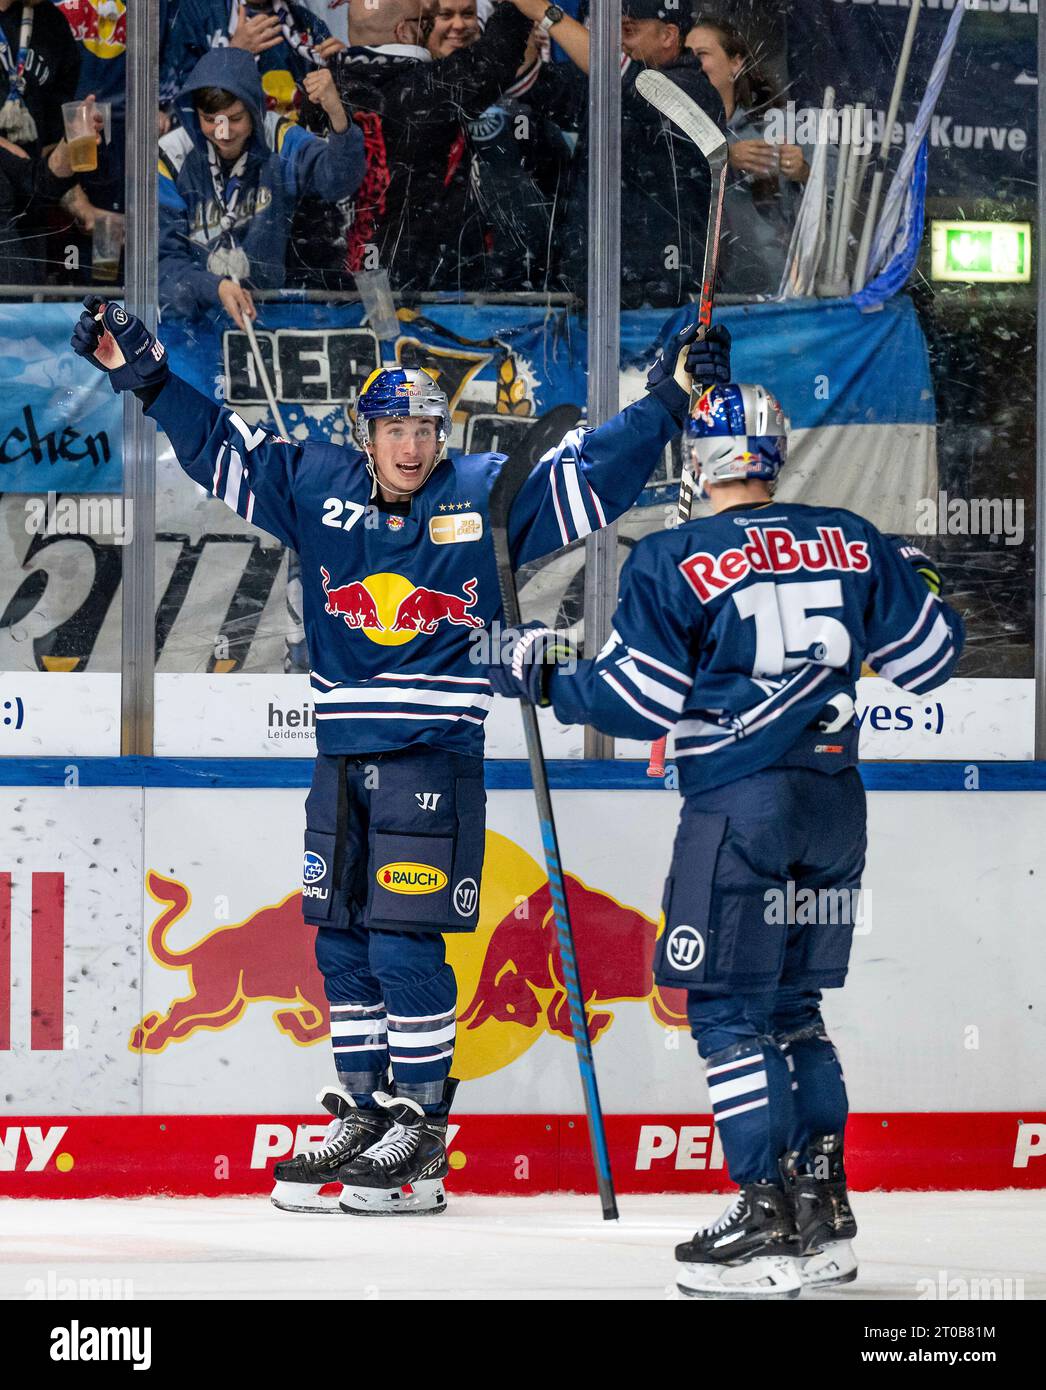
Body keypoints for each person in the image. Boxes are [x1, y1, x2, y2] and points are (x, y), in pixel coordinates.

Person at [70, 295, 731, 1217]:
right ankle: (367, 1111)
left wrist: (665, 399)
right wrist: (145, 375)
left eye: (425, 428)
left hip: (431, 756)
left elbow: (594, 475)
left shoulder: (486, 492)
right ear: (365, 433)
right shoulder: (313, 484)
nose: (413, 446)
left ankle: (421, 1136)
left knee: (401, 940)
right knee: (340, 942)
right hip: (340, 759)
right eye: (395, 429)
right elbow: (220, 447)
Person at [486, 361, 965, 1295]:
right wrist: (922, 577)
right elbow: (933, 661)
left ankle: (765, 1215)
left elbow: (636, 697)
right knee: (794, 1010)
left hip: (740, 808)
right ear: (773, 455)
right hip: (834, 808)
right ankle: (823, 1210)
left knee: (724, 1010)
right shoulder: (855, 540)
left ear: (696, 461)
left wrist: (541, 676)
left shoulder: (672, 557)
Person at [508, 0, 725, 308]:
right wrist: (517, 19)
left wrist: (547, 13)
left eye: (627, 30)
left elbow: (628, 80)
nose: (616, 41)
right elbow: (530, 82)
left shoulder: (695, 90)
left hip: (668, 300)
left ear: (668, 36)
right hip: (592, 290)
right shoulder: (604, 85)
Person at [326, 0, 534, 289]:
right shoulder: (427, 88)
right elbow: (495, 58)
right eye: (426, 21)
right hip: (421, 288)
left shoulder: (319, 90)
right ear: (404, 32)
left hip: (332, 288)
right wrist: (516, 5)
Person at [158, 46, 364, 327]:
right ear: (194, 113)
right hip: (195, 322)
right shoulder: (170, 155)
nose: (223, 133)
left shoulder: (277, 136)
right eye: (210, 121)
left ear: (255, 110)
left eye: (235, 119)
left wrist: (337, 116)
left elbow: (337, 182)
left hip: (267, 314)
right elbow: (161, 264)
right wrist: (213, 288)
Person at [686, 14, 810, 296]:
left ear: (736, 62)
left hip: (768, 297)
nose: (692, 64)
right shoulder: (671, 132)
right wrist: (724, 157)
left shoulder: (772, 127)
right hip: (696, 295)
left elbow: (843, 185)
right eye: (686, 55)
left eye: (702, 54)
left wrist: (803, 170)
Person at [163, 0, 333, 115]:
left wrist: (338, 66)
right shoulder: (196, 11)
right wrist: (234, 55)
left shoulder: (306, 23)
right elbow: (181, 99)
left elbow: (331, 106)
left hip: (292, 145)